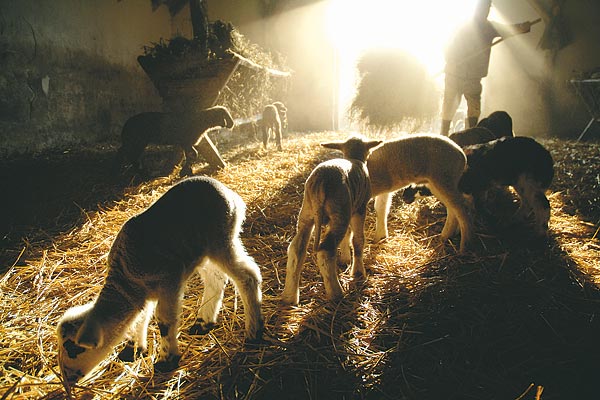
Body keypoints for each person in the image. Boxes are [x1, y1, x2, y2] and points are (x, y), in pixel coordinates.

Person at [440, 0, 532, 135]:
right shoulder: (462, 26)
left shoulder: (488, 28)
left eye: (487, 8)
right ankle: (443, 136)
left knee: (473, 107)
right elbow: (447, 46)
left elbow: (509, 29)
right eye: (483, 8)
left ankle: (471, 135)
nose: (485, 11)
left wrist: (522, 27)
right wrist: (451, 59)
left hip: (473, 76)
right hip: (455, 73)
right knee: (449, 105)